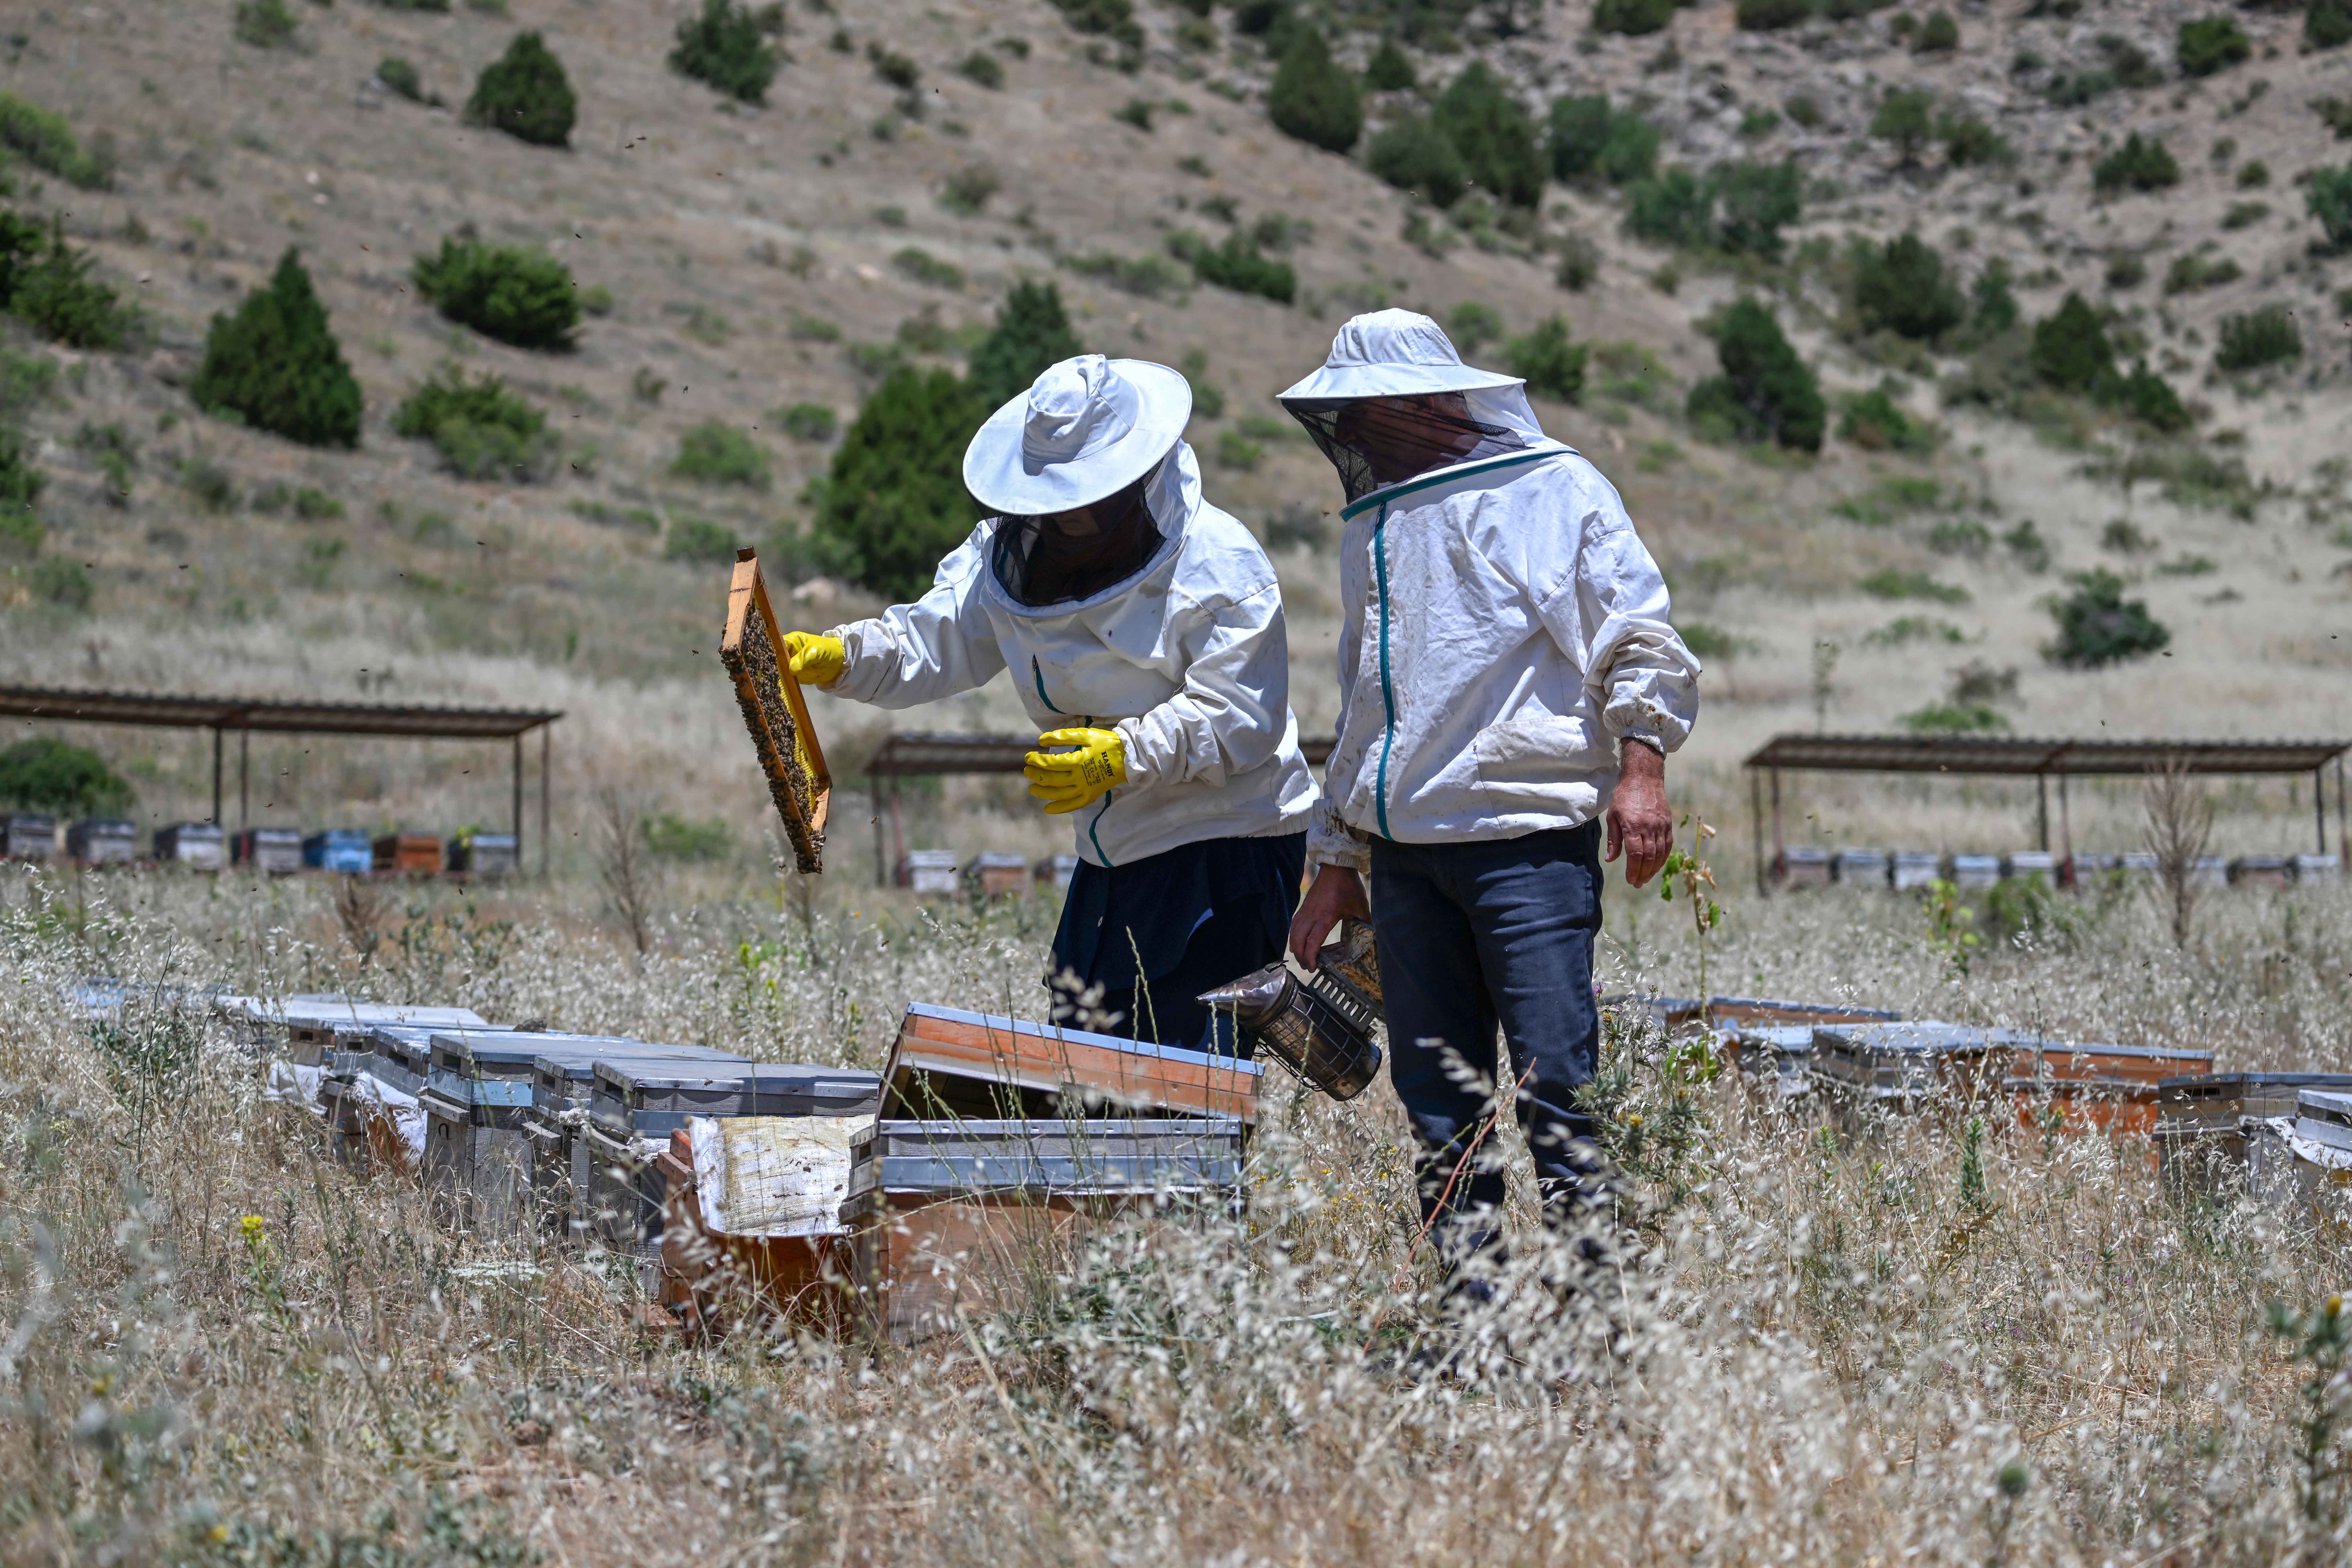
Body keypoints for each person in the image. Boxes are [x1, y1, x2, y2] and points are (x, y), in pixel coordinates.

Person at [1277, 310, 1699, 1284]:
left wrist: (1642, 770)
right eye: (1343, 416)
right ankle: (1472, 1310)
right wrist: (1335, 863)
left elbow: (1634, 633)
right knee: (1436, 1103)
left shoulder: (1553, 491)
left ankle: (1596, 1310)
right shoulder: (1374, 522)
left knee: (1558, 1085)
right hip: (1409, 862)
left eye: (1366, 411)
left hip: (1526, 844)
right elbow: (1366, 699)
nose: (1354, 433)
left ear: (1424, 401)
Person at [784, 354, 1318, 1050]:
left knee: (1189, 1085)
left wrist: (1123, 756)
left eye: (1085, 503)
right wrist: (844, 657)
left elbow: (1239, 718)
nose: (1067, 519)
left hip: (1225, 843)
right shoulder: (1011, 554)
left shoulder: (1221, 562)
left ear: (1134, 477)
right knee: (1086, 1065)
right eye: (1055, 504)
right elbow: (936, 637)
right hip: (1114, 847)